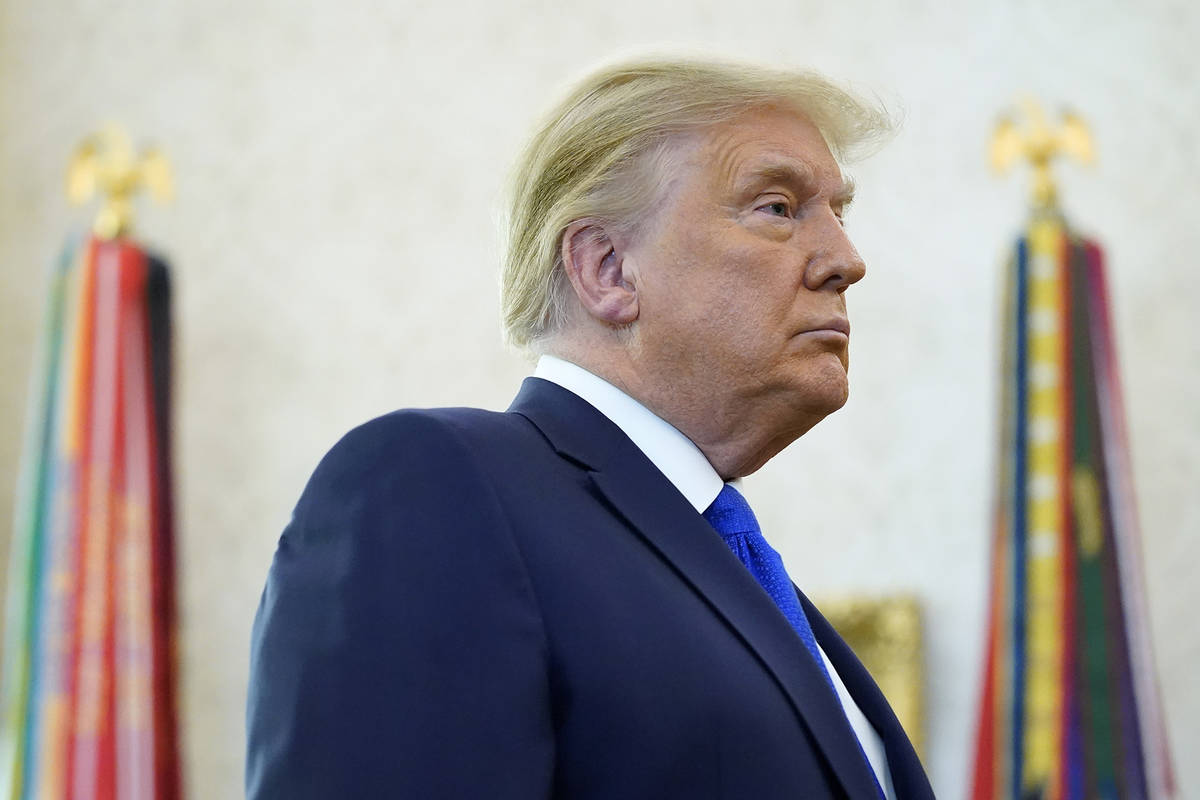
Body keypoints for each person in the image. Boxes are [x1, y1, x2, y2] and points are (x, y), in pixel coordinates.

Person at [246, 57, 935, 799]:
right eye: (777, 207)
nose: (846, 261)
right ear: (607, 269)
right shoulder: (433, 486)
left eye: (840, 213)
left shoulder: (728, 559)